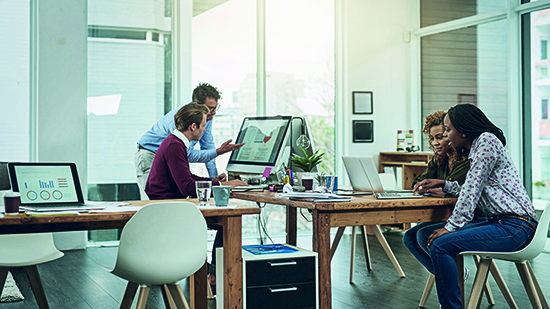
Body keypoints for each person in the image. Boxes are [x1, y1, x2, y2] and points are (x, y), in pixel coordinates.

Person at [413, 103, 538, 309]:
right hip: (500, 223)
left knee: (441, 243)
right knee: (425, 235)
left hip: (516, 227)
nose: (445, 135)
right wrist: (445, 184)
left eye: (448, 129)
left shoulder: (487, 141)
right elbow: (473, 185)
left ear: (463, 130)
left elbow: (471, 192)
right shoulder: (478, 146)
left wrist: (450, 227)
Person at [145, 102, 247, 288]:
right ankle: (214, 277)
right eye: (203, 125)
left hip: (168, 204)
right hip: (169, 208)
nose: (204, 129)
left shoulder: (174, 142)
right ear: (193, 127)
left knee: (222, 219)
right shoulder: (175, 146)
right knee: (226, 220)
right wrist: (223, 184)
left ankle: (210, 274)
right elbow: (186, 187)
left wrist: (214, 180)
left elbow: (187, 177)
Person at [135, 82, 244, 189]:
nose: (214, 112)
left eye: (216, 107)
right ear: (193, 126)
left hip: (167, 155)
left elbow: (207, 146)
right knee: (153, 198)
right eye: (210, 108)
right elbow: (188, 156)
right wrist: (218, 153)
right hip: (150, 153)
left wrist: (214, 180)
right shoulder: (179, 127)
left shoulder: (206, 116)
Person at [403, 110, 473, 274]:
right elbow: (418, 182)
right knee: (409, 237)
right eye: (432, 138)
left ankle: (452, 275)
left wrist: (440, 188)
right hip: (445, 215)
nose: (435, 143)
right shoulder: (438, 159)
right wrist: (425, 187)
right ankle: (454, 274)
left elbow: (451, 187)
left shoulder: (466, 158)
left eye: (440, 137)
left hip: (466, 216)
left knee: (423, 235)